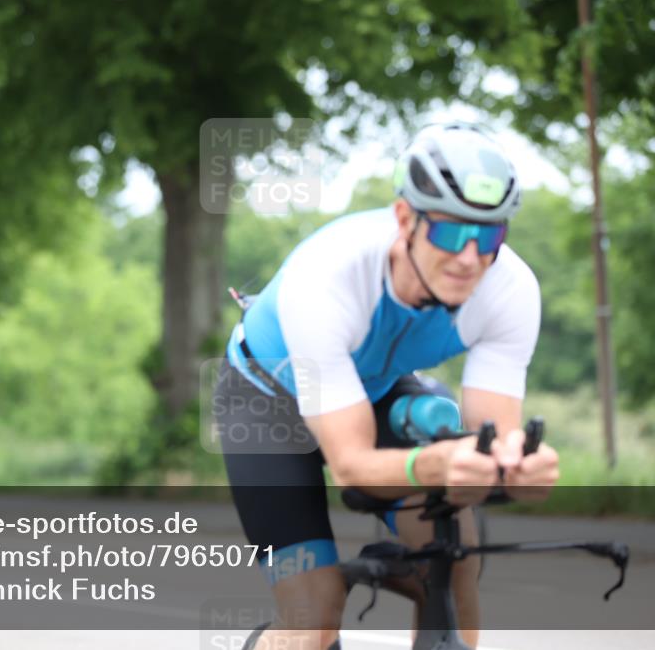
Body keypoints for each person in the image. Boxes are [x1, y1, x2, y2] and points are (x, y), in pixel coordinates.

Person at [214, 122, 560, 650]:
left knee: (453, 565)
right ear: (405, 219)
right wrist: (439, 465)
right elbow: (352, 463)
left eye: (488, 234)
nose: (469, 257)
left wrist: (515, 471)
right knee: (315, 613)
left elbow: (495, 437)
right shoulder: (328, 277)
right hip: (265, 404)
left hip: (371, 389)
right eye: (449, 231)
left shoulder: (510, 289)